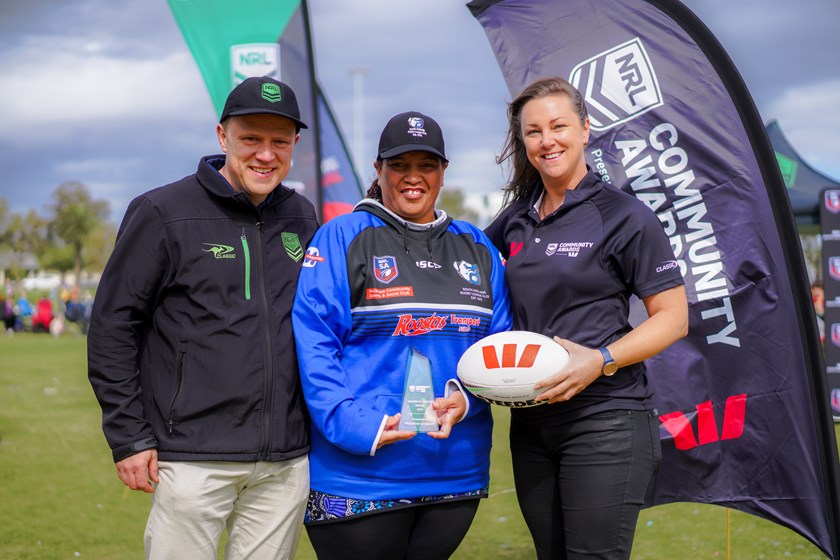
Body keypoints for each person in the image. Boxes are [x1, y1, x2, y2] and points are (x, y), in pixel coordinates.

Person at [87, 76, 319, 560]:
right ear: (222, 136)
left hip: (283, 459)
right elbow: (113, 327)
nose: (265, 154)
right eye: (250, 138)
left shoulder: (302, 215)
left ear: (295, 143)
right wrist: (129, 437)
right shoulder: (162, 211)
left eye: (279, 141)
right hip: (191, 456)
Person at [292, 111, 512, 559]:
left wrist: (467, 399)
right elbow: (314, 345)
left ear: (443, 171)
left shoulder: (477, 246)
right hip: (359, 475)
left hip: (455, 474)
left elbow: (500, 348)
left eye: (426, 165)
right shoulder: (342, 237)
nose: (414, 178)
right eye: (400, 165)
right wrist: (356, 427)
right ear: (379, 170)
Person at [484, 77, 689, 559]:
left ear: (585, 129)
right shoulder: (514, 219)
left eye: (559, 126)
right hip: (532, 422)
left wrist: (600, 359)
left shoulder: (623, 215)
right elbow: (466, 279)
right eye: (533, 131)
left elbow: (673, 318)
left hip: (607, 420)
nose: (546, 140)